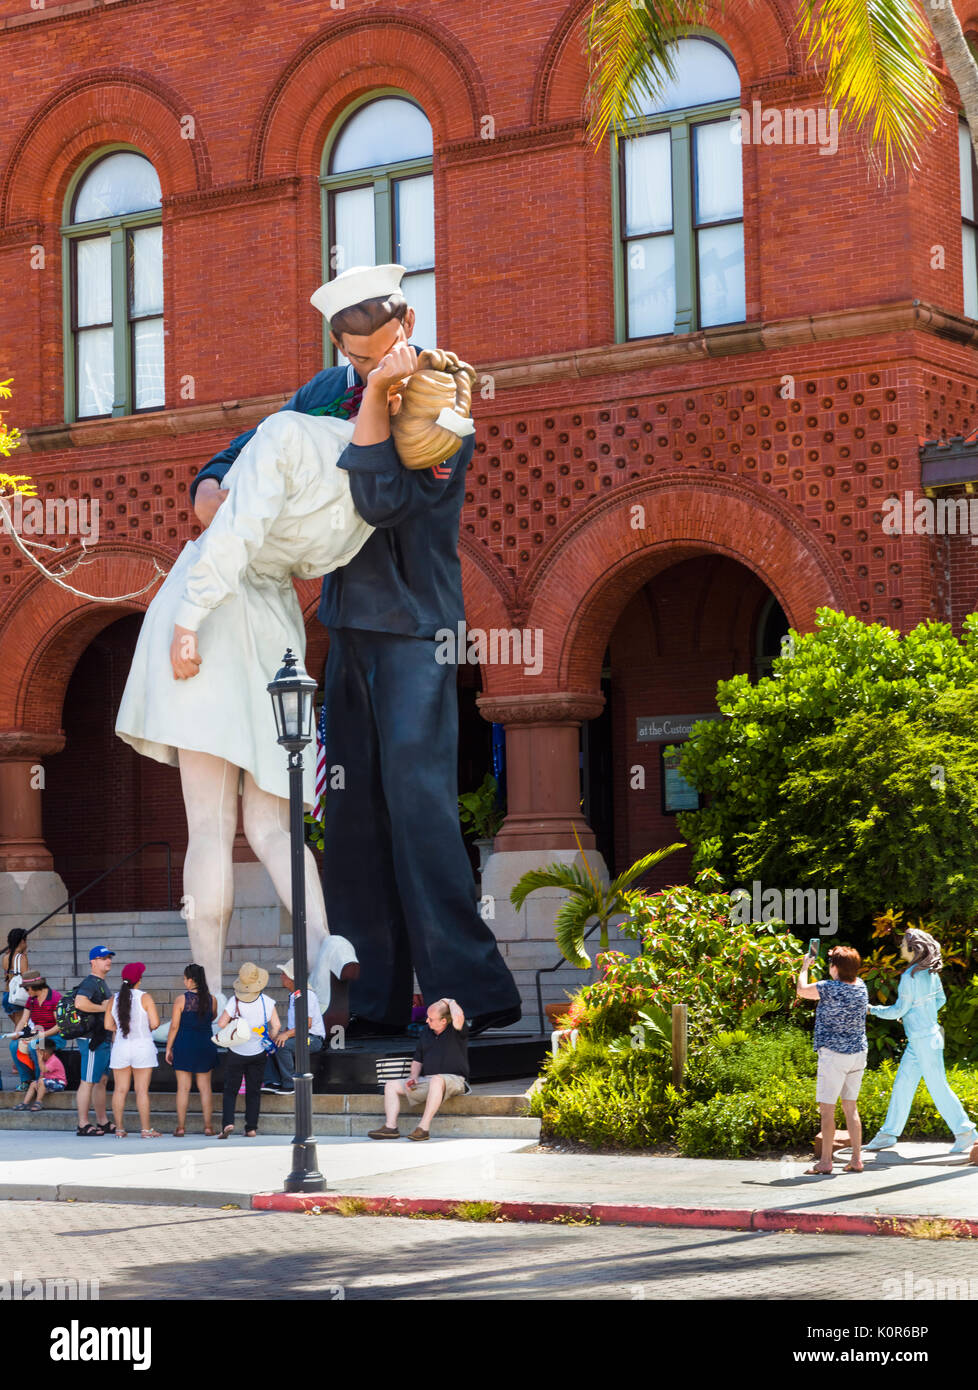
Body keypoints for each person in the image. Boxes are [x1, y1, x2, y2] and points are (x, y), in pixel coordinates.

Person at [187, 264, 521, 1037]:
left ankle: (471, 992)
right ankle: (370, 1002)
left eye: (379, 353)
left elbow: (379, 501)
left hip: (416, 632)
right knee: (353, 815)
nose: (369, 370)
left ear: (406, 323)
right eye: (356, 359)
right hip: (348, 628)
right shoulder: (324, 392)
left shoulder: (444, 399)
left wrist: (379, 398)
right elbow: (253, 444)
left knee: (421, 809)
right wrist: (211, 483)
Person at [864, 928, 977, 1154]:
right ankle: (888, 1134)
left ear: (912, 948)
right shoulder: (930, 973)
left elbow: (900, 1008)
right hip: (925, 1038)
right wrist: (921, 1015)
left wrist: (871, 1009)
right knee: (903, 1085)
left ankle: (966, 1133)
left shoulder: (910, 976)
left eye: (903, 944)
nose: (900, 948)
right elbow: (940, 1000)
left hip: (924, 1040)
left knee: (937, 1086)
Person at [796, 945, 868, 1174]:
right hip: (858, 1054)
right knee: (851, 1107)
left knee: (827, 1110)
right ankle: (856, 1159)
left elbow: (802, 990)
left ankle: (825, 1161)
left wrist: (804, 967)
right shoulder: (861, 987)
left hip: (834, 1056)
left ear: (835, 968)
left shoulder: (829, 988)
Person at [369, 998, 470, 1141]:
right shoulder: (426, 1033)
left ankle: (423, 1128)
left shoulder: (456, 1030)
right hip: (428, 1081)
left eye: (431, 1019)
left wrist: (451, 1001)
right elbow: (418, 1059)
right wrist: (413, 1077)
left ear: (443, 1021)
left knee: (437, 1079)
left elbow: (458, 1016)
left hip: (454, 1080)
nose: (427, 1021)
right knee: (391, 1085)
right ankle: (390, 1127)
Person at [213, 962, 281, 1138]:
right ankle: (251, 1128)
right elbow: (277, 1025)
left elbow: (221, 1023)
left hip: (236, 1051)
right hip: (258, 1051)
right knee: (254, 1090)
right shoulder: (268, 1002)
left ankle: (228, 1123)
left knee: (230, 1090)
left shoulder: (234, 1001)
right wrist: (269, 1038)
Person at [104, 962, 161, 1139]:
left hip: (121, 1046)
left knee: (120, 1090)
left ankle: (119, 1129)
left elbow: (107, 1025)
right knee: (142, 1090)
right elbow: (155, 1023)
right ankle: (146, 1130)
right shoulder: (145, 998)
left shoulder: (114, 998)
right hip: (142, 1046)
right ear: (139, 980)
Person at [165, 963, 219, 1136]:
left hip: (184, 1043)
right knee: (205, 1087)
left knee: (183, 1088)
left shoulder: (182, 999)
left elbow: (174, 1026)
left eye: (184, 978)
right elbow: (213, 1016)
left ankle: (180, 1127)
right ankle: (208, 1127)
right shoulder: (212, 999)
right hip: (205, 1043)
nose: (184, 982)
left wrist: (168, 1048)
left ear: (190, 980)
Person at [262, 959, 324, 1094]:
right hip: (299, 1036)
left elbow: (306, 1025)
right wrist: (281, 1034)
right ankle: (273, 1081)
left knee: (282, 1045)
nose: (281, 977)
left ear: (291, 978)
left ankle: (290, 1084)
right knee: (268, 1044)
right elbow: (294, 1026)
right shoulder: (294, 995)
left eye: (284, 974)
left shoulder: (307, 995)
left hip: (312, 1039)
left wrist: (286, 1035)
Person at [73, 945, 117, 1136]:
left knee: (101, 1081)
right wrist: (104, 1008)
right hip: (91, 1039)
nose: (108, 960)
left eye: (109, 957)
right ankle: (83, 1124)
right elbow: (80, 1003)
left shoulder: (100, 982)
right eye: (103, 958)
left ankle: (102, 1121)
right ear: (93, 962)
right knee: (88, 1081)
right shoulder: (91, 982)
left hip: (101, 1038)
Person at [8, 973, 63, 1089]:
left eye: (26, 988)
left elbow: (59, 1025)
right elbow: (24, 1019)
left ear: (34, 986)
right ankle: (26, 1080)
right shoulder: (31, 1000)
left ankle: (39, 1080)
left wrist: (42, 1035)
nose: (25, 991)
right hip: (38, 1034)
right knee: (14, 1045)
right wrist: (16, 1032)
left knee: (35, 1045)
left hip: (54, 1036)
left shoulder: (55, 998)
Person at [12, 1044, 66, 1113]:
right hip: (47, 1082)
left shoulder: (53, 1060)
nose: (37, 1055)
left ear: (45, 1053)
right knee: (33, 1084)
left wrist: (39, 1059)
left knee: (41, 1081)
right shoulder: (45, 1061)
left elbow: (44, 1070)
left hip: (59, 1083)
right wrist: (38, 1084)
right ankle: (25, 1103)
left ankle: (38, 1102)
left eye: (39, 1053)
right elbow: (42, 1075)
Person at [3, 928, 29, 1023]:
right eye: (26, 940)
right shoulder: (21, 958)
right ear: (22, 941)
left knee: (19, 1028)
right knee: (21, 1031)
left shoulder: (5, 957)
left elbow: (7, 975)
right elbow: (27, 978)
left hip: (7, 995)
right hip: (18, 997)